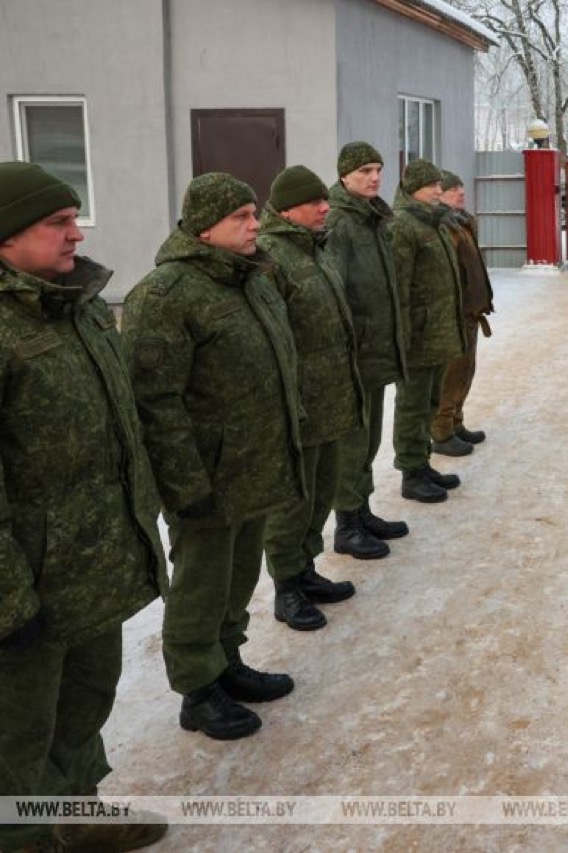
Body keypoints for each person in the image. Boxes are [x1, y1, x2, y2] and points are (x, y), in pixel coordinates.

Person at [0, 162, 168, 851]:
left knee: (84, 705)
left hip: (91, 568)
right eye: (58, 222)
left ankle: (77, 815)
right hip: (24, 590)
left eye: (75, 218)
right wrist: (9, 602)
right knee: (17, 744)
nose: (78, 233)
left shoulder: (82, 306)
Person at [123, 172, 304, 741]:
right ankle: (198, 690)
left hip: (255, 465)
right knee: (201, 585)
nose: (255, 225)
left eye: (254, 213)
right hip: (206, 478)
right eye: (240, 217)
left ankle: (227, 661)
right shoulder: (164, 296)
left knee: (239, 575)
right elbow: (154, 402)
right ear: (205, 228)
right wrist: (185, 486)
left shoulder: (250, 279)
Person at [259, 166, 364, 631]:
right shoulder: (271, 258)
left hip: (330, 400)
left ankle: (305, 569)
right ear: (286, 210)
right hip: (300, 406)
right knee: (294, 502)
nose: (325, 208)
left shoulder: (314, 249)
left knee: (320, 493)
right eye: (314, 202)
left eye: (325, 199)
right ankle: (286, 586)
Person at [324, 142, 410, 559]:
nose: (374, 177)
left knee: (370, 438)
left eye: (378, 169)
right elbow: (334, 291)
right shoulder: (339, 222)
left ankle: (362, 510)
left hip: (374, 351)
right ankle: (347, 524)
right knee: (352, 443)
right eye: (364, 171)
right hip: (354, 355)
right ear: (344, 175)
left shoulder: (371, 217)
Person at [387, 160, 467, 501]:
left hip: (437, 332)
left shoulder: (432, 222)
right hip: (418, 337)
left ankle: (422, 464)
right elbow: (399, 286)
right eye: (431, 185)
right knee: (413, 405)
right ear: (413, 189)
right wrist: (404, 336)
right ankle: (410, 472)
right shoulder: (403, 226)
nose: (438, 190)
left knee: (431, 401)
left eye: (439, 184)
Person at [432, 170, 495, 454]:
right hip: (453, 315)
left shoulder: (463, 223)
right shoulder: (443, 228)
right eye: (452, 189)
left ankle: (456, 422)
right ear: (439, 195)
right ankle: (442, 432)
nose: (460, 192)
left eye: (461, 187)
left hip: (470, 312)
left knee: (465, 371)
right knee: (451, 374)